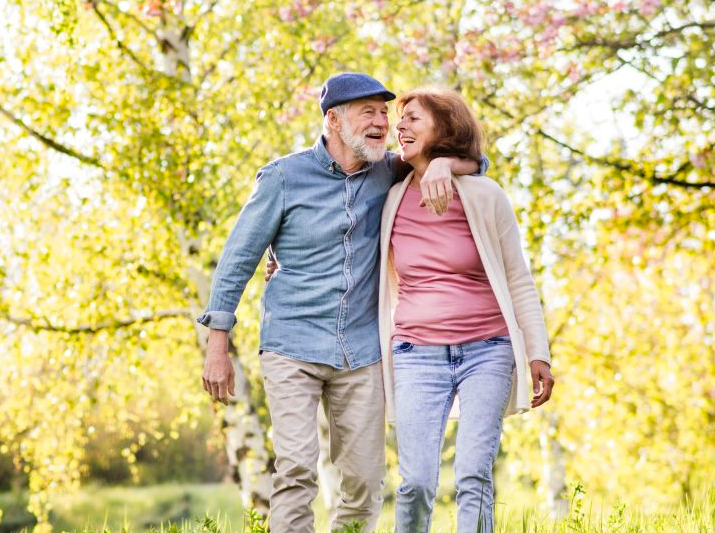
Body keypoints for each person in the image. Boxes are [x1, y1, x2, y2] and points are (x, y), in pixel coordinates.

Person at [198, 73, 487, 533]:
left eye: (383, 112)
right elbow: (236, 262)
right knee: (295, 469)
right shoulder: (283, 178)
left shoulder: (389, 170)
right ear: (333, 119)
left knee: (365, 481)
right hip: (291, 344)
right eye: (367, 111)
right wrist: (217, 347)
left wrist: (442, 167)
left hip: (362, 351)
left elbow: (479, 161)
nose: (381, 122)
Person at [377, 88, 555, 533]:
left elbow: (518, 278)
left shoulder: (484, 194)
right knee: (415, 482)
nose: (401, 127)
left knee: (474, 475)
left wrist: (539, 352)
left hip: (488, 351)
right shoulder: (389, 196)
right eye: (401, 120)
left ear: (445, 127)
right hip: (417, 354)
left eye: (413, 119)